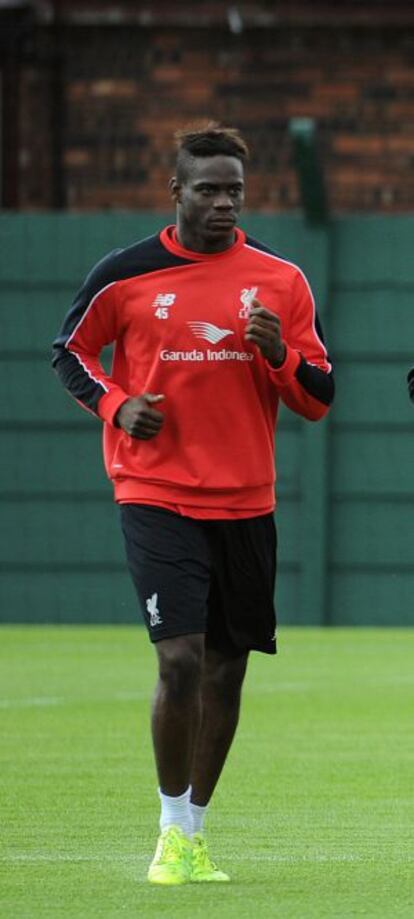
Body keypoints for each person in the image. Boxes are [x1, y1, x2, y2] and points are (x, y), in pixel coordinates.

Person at [52, 121, 334, 886]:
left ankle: (196, 831)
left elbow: (319, 397)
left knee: (225, 671)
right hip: (156, 494)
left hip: (247, 503)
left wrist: (277, 353)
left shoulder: (282, 280)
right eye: (207, 189)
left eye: (234, 191)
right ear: (175, 191)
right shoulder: (127, 273)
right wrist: (116, 406)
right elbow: (70, 351)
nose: (222, 204)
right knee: (177, 662)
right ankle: (170, 828)